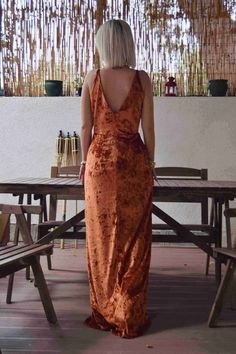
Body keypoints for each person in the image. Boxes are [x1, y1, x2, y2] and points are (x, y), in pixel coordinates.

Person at [79, 19, 155, 338]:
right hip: (134, 162)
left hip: (100, 163)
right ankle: (129, 310)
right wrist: (150, 163)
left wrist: (85, 160)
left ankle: (106, 310)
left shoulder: (92, 78)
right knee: (135, 236)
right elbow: (148, 130)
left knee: (101, 238)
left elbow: (86, 128)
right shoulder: (143, 79)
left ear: (104, 45)